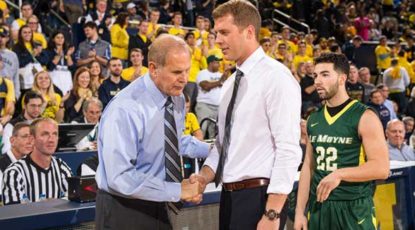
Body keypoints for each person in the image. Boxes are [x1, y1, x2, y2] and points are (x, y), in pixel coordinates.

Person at [193, 1, 302, 229]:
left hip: (260, 198)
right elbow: (223, 147)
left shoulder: (276, 77)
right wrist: (203, 177)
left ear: (249, 32)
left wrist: (272, 213)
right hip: (228, 197)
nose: (218, 40)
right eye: (216, 33)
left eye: (224, 32)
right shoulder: (231, 82)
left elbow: (288, 149)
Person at [95, 34, 209, 229]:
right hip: (124, 208)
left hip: (160, 202)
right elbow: (119, 177)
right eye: (176, 72)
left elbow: (170, 140)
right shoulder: (125, 108)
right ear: (154, 69)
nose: (184, 79)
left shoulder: (177, 97)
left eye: (187, 71)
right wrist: (178, 190)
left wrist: (211, 150)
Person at [294, 53, 389, 230]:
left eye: (325, 74)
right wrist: (300, 212)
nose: (317, 81)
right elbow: (308, 166)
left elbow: (382, 168)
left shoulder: (364, 116)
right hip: (319, 209)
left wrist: (339, 174)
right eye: (315, 76)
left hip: (353, 209)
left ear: (342, 78)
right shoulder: (314, 118)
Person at [2, 118, 73, 205]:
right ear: (32, 139)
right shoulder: (14, 173)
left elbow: (74, 199)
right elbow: (13, 214)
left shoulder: (61, 167)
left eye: (55, 134)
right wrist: (43, 207)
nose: (51, 140)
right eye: (45, 134)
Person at [195, 54, 230, 139]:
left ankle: (212, 152)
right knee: (202, 129)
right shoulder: (202, 73)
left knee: (214, 133)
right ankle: (197, 151)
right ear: (210, 63)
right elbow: (206, 86)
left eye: (219, 63)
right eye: (216, 63)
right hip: (204, 106)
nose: (219, 65)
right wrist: (220, 82)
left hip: (218, 107)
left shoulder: (221, 74)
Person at [0, 122, 33, 204]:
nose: (29, 142)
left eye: (32, 138)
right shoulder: (1, 165)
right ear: (12, 140)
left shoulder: (32, 164)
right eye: (25, 137)